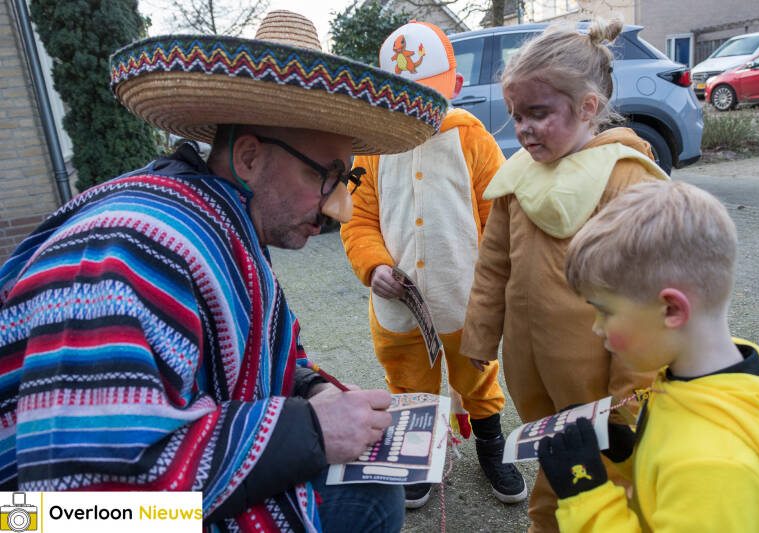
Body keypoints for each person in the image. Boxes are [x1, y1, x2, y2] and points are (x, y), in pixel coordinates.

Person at [0, 10, 451, 533]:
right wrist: (311, 429)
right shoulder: (127, 255)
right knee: (369, 499)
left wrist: (311, 389)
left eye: (345, 179)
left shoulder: (215, 221)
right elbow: (84, 508)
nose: (341, 209)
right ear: (249, 157)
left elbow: (236, 358)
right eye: (324, 176)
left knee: (370, 488)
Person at [458, 19, 669, 532]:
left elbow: (645, 301)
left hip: (596, 375)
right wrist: (480, 334)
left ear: (587, 107)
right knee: (553, 459)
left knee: (603, 475)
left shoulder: (624, 178)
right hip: (530, 366)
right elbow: (493, 264)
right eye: (516, 115)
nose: (523, 128)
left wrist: (629, 397)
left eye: (538, 113)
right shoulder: (516, 178)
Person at [536, 180, 759, 531]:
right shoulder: (751, 371)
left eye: (605, 311)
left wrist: (585, 495)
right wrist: (629, 450)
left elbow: (694, 474)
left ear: (672, 310)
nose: (597, 328)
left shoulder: (712, 468)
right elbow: (675, 473)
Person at [340, 20, 526, 509]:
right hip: (399, 308)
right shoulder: (371, 150)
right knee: (408, 382)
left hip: (465, 298)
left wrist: (498, 285)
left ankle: (491, 446)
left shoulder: (472, 139)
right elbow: (357, 220)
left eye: (427, 94)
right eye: (401, 95)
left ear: (455, 87)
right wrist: (374, 266)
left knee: (478, 377)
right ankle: (417, 455)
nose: (414, 106)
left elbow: (499, 216)